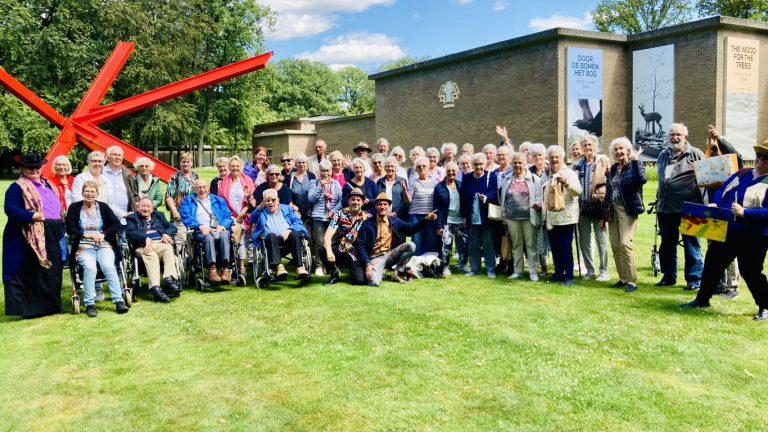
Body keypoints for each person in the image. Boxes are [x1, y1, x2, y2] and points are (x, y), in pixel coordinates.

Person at [681, 139, 768, 321]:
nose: (759, 159)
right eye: (758, 155)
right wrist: (716, 202)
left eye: (765, 157)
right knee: (713, 264)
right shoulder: (743, 173)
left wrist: (746, 212)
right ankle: (702, 299)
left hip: (754, 235)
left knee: (751, 272)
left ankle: (765, 306)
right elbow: (723, 189)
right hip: (728, 229)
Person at [4, 153, 65, 318]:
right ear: (23, 169)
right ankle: (34, 310)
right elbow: (10, 208)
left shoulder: (48, 184)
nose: (34, 170)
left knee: (52, 269)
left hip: (52, 231)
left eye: (37, 167)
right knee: (35, 270)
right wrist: (31, 216)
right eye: (30, 167)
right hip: (29, 234)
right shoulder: (17, 187)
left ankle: (52, 305)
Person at [66, 180, 128, 317]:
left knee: (108, 266)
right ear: (82, 193)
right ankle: (90, 304)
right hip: (83, 245)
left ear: (97, 194)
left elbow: (115, 224)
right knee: (90, 267)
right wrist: (85, 234)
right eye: (86, 191)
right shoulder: (74, 208)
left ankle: (118, 301)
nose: (89, 194)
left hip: (103, 244)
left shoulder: (103, 207)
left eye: (92, 192)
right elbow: (70, 228)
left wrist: (103, 234)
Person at [655, 123, 705, 290]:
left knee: (692, 245)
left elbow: (707, 180)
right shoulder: (663, 155)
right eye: (671, 134)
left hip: (689, 207)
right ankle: (669, 277)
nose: (674, 137)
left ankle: (694, 280)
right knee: (667, 245)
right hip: (666, 208)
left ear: (686, 137)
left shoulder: (695, 154)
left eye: (678, 134)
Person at [355, 192, 438, 286]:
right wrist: (367, 264)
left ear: (389, 206)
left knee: (411, 245)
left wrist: (425, 219)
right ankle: (379, 270)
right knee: (373, 283)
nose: (382, 207)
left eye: (385, 204)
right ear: (375, 206)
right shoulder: (367, 224)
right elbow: (360, 245)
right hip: (375, 258)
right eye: (380, 204)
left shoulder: (394, 221)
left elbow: (411, 228)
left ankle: (398, 271)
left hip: (391, 254)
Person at [602, 137, 647, 293]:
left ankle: (632, 281)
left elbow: (642, 179)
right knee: (615, 244)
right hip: (613, 210)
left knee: (624, 243)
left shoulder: (634, 165)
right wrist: (604, 214)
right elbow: (609, 191)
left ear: (627, 150)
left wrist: (635, 160)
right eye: (616, 150)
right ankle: (622, 278)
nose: (618, 152)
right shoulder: (614, 168)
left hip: (627, 210)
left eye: (621, 149)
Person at [125, 197, 180, 303]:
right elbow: (130, 232)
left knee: (168, 248)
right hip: (143, 246)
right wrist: (145, 239)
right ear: (138, 207)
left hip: (160, 242)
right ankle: (156, 289)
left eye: (148, 206)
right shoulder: (132, 218)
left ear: (152, 208)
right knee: (151, 254)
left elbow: (172, 227)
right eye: (143, 206)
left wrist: (166, 234)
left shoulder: (159, 215)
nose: (145, 209)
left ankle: (169, 279)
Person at [572, 135, 611, 281]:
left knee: (601, 240)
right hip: (582, 208)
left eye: (590, 145)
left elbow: (611, 181)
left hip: (598, 206)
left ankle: (604, 271)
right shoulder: (577, 164)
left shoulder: (603, 160)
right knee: (584, 241)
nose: (588, 148)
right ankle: (589, 270)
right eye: (585, 146)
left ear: (595, 145)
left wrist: (608, 205)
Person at [180, 179, 234, 283]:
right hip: (200, 231)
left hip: (218, 229)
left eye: (204, 187)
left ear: (208, 187)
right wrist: (199, 226)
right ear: (194, 189)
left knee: (224, 235)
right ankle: (212, 269)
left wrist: (222, 225)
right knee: (208, 237)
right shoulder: (188, 201)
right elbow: (186, 217)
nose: (202, 190)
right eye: (199, 187)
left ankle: (226, 268)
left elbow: (228, 216)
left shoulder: (219, 200)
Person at [498, 152, 542, 281]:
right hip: (512, 218)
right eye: (515, 162)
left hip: (529, 217)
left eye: (520, 163)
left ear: (525, 164)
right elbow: (503, 200)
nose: (517, 165)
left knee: (531, 245)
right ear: (512, 164)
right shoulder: (506, 180)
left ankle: (533, 271)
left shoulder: (535, 179)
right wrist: (504, 218)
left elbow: (539, 197)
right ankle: (518, 271)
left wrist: (538, 205)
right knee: (516, 245)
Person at [542, 145, 582, 285]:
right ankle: (558, 273)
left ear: (562, 158)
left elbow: (577, 191)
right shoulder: (547, 174)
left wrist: (566, 182)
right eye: (551, 157)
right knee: (555, 247)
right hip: (551, 217)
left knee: (565, 247)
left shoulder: (569, 173)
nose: (554, 160)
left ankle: (569, 275)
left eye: (556, 157)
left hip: (565, 217)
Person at [250, 189, 311, 281]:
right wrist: (262, 205)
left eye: (273, 200)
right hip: (270, 242)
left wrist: (289, 229)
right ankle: (279, 268)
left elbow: (298, 222)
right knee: (271, 235)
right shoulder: (261, 210)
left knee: (295, 233)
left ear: (278, 200)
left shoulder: (286, 208)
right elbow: (252, 219)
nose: (270, 203)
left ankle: (299, 267)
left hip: (287, 239)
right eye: (267, 200)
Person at [460, 153, 499, 278]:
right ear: (472, 165)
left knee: (488, 244)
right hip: (472, 215)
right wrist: (464, 216)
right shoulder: (467, 178)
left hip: (486, 216)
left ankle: (490, 269)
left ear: (485, 164)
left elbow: (494, 191)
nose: (478, 167)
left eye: (480, 164)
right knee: (474, 244)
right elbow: (463, 197)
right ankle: (474, 268)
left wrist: (486, 197)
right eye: (475, 164)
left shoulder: (491, 176)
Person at [321, 188, 370, 285]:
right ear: (348, 201)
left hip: (357, 254)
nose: (355, 202)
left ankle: (354, 271)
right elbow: (327, 235)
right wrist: (329, 251)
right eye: (353, 199)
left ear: (363, 202)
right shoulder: (339, 214)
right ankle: (334, 274)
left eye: (358, 200)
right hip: (341, 250)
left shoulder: (368, 217)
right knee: (323, 249)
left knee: (359, 281)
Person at [217, 156, 256, 275]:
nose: (235, 168)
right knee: (232, 233)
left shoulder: (247, 180)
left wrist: (242, 213)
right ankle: (233, 263)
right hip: (228, 215)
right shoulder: (222, 183)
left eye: (237, 166)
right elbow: (221, 203)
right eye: (232, 166)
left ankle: (241, 265)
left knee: (240, 234)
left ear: (242, 167)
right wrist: (229, 217)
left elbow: (252, 202)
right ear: (229, 167)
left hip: (244, 214)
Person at [308, 160, 343, 275]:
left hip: (332, 218)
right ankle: (319, 265)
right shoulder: (314, 183)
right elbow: (310, 199)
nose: (325, 173)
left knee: (331, 242)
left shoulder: (336, 184)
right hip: (318, 217)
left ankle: (331, 265)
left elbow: (341, 201)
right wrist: (320, 187)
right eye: (323, 171)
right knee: (319, 241)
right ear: (319, 172)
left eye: (327, 171)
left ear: (331, 171)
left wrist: (333, 211)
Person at [434, 161, 468, 275]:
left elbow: (464, 203)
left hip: (459, 220)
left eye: (453, 171)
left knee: (463, 243)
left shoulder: (460, 185)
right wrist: (439, 226)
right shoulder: (439, 187)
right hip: (446, 220)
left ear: (457, 172)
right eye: (448, 171)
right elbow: (437, 208)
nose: (451, 173)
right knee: (446, 245)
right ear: (445, 172)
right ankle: (445, 266)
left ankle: (462, 264)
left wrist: (465, 217)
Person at [405, 156, 440, 255]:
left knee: (431, 240)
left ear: (428, 168)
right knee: (416, 240)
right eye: (419, 166)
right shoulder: (413, 183)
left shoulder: (435, 183)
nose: (421, 168)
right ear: (416, 169)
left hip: (431, 215)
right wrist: (404, 191)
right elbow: (408, 200)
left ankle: (431, 264)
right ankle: (415, 264)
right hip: (415, 215)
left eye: (424, 166)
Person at [165, 152, 200, 251]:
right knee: (181, 237)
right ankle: (181, 260)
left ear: (192, 163)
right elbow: (168, 196)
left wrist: (191, 182)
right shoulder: (175, 176)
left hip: (194, 213)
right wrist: (174, 211)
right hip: (179, 214)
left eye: (188, 162)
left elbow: (201, 193)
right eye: (183, 162)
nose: (186, 164)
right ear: (180, 163)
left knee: (195, 237)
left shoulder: (195, 176)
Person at [102, 145, 139, 218]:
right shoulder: (101, 173)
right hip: (105, 216)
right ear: (107, 157)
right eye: (114, 155)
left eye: (119, 155)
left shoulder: (127, 175)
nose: (117, 157)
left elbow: (135, 194)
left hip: (126, 216)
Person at [529, 143, 549, 273]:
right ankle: (542, 266)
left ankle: (549, 265)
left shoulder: (550, 170)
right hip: (534, 209)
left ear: (544, 155)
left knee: (549, 238)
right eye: (534, 155)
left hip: (549, 209)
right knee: (538, 238)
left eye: (540, 154)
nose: (537, 157)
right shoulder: (529, 171)